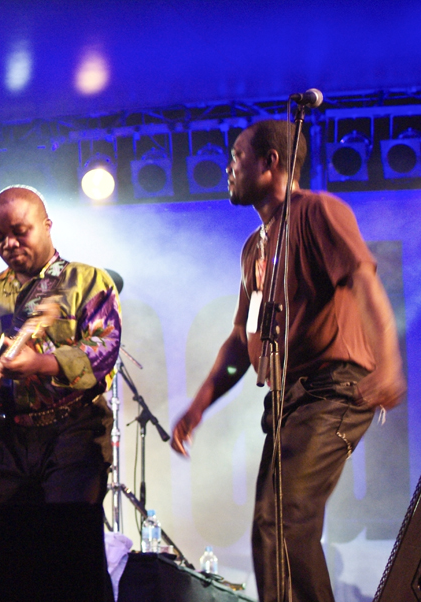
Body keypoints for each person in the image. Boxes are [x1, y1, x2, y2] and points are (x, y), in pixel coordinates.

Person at [171, 120, 405, 602]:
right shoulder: (254, 247)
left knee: (284, 517)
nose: (229, 169)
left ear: (269, 162)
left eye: (236, 157)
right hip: (290, 398)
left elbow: (364, 283)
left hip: (334, 386)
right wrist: (199, 405)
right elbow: (242, 338)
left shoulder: (318, 211)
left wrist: (389, 363)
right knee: (270, 527)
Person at [0, 185, 121, 504]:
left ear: (47, 226)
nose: (8, 244)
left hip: (74, 432)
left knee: (65, 545)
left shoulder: (87, 280)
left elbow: (103, 350)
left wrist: (40, 364)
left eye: (19, 232)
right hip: (7, 438)